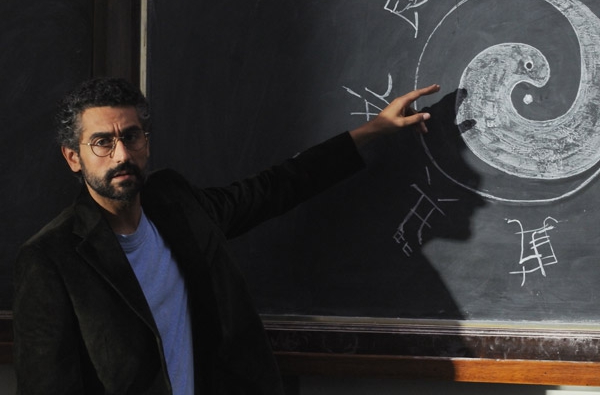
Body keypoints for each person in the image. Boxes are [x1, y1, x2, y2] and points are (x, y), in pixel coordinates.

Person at [12, 77, 440, 394]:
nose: (121, 154)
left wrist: (372, 130)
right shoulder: (51, 259)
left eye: (131, 136)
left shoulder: (176, 205)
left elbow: (274, 188)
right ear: (74, 157)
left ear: (146, 142)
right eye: (102, 142)